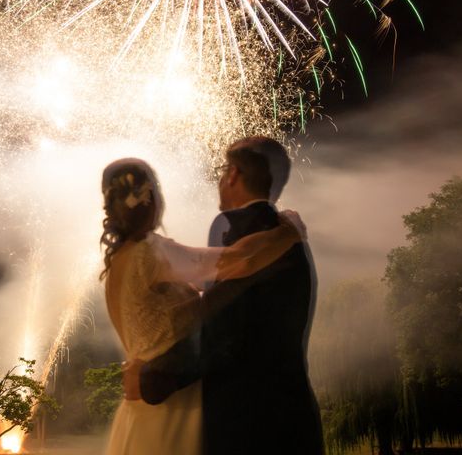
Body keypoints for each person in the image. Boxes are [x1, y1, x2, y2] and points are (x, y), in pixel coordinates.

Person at [124, 137, 324, 454]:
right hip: (294, 418)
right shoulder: (291, 236)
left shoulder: (232, 224)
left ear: (232, 173)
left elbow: (223, 330)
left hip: (245, 425)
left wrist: (154, 377)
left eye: (221, 172)